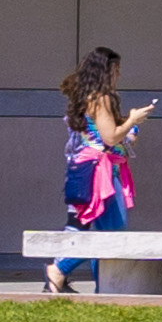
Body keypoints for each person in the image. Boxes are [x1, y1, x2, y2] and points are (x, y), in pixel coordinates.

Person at [51, 53, 142, 293]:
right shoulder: (102, 99)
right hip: (100, 171)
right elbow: (110, 137)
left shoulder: (86, 97)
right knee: (113, 233)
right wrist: (133, 119)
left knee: (103, 232)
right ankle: (59, 269)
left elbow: (101, 134)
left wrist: (128, 130)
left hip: (88, 169)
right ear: (106, 71)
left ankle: (104, 289)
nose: (119, 74)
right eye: (116, 69)